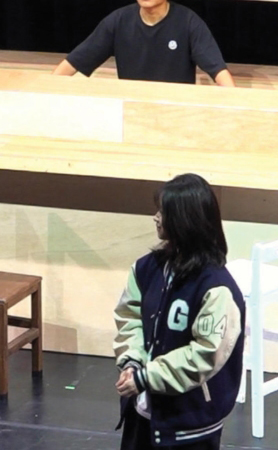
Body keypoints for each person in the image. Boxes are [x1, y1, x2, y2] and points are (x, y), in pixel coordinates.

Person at [113, 173, 245, 449]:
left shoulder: (216, 288)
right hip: (142, 415)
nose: (156, 217)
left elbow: (205, 354)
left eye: (163, 212)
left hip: (190, 426)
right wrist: (132, 362)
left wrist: (147, 377)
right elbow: (130, 318)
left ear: (184, 220)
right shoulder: (145, 269)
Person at [52, 0, 236, 87]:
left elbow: (218, 70)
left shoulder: (188, 22)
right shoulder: (118, 21)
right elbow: (74, 62)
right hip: (131, 107)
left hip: (176, 110)